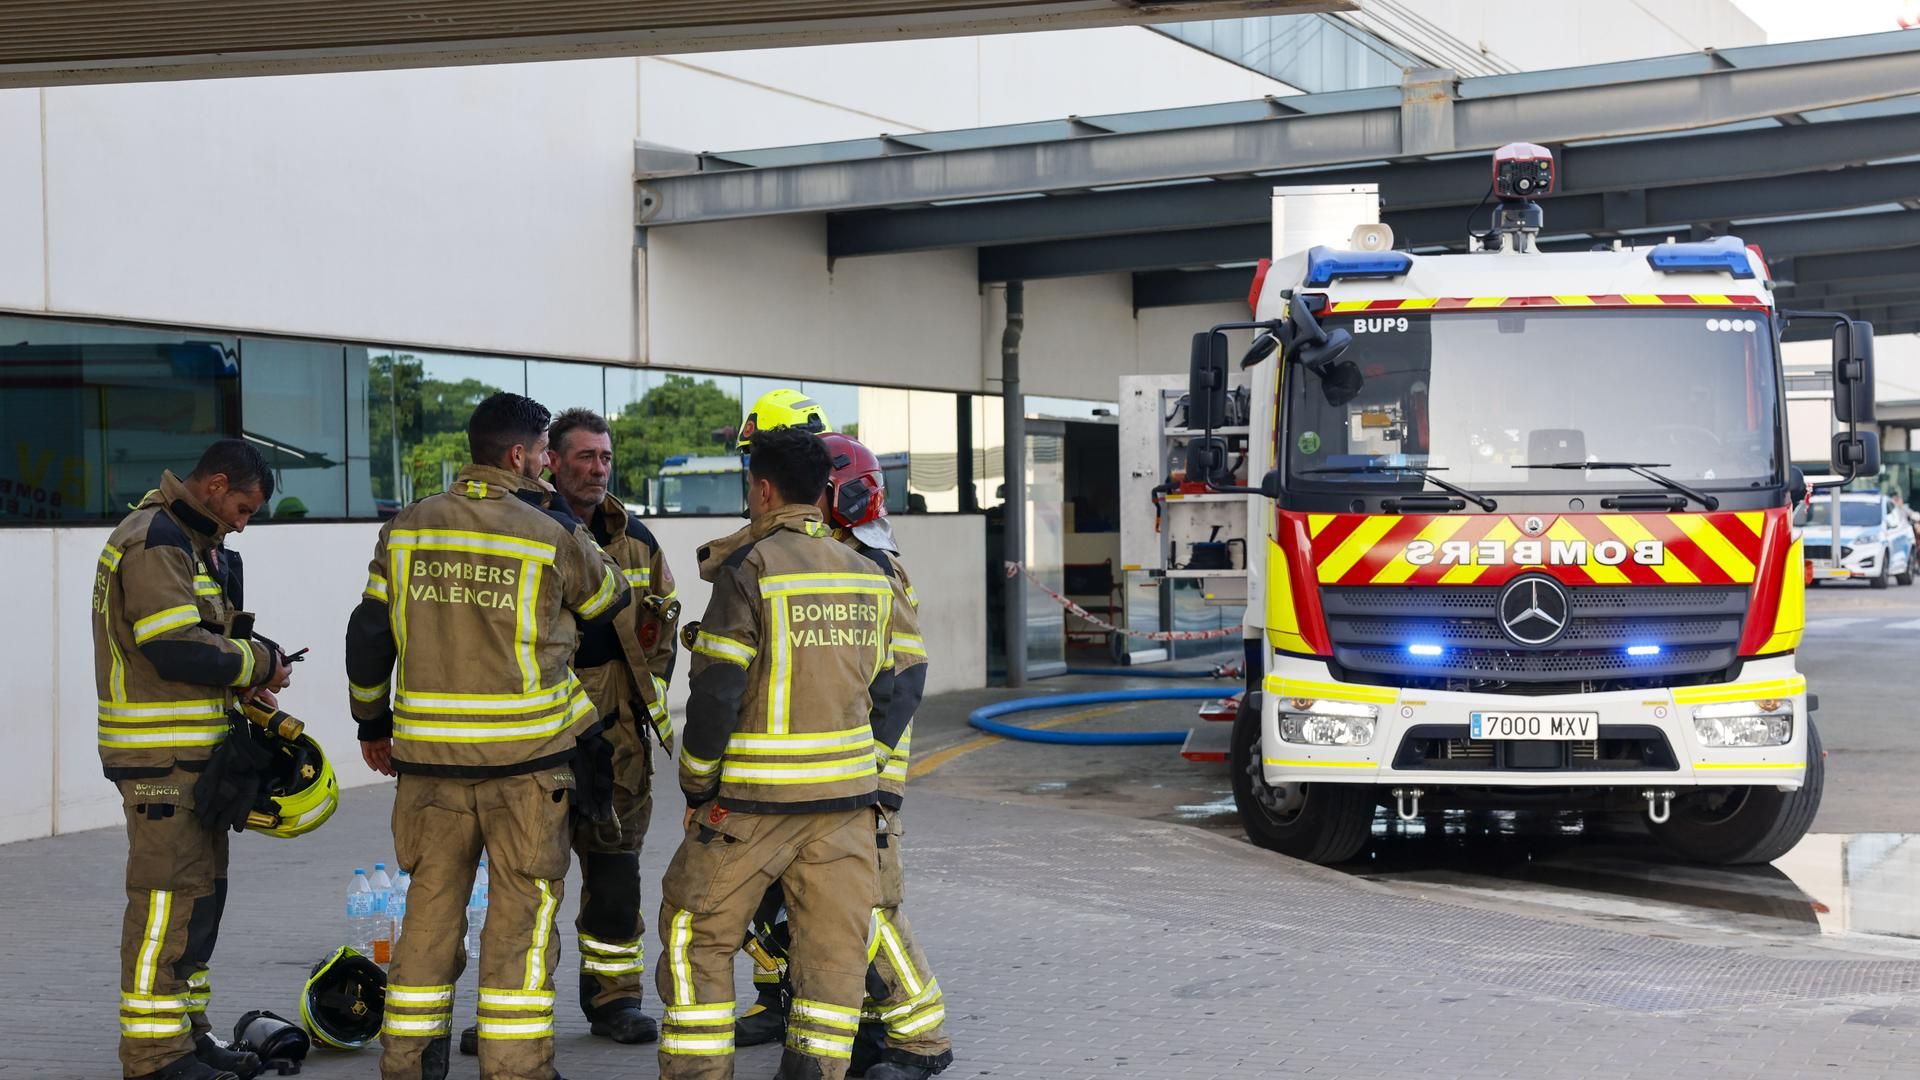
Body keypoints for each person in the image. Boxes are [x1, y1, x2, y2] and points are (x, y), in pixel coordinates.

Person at [346, 392, 630, 1080]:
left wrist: (371, 722)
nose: (547, 464)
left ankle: (409, 1060)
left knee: (429, 914)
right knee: (522, 922)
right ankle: (516, 1066)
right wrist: (564, 520)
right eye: (541, 453)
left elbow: (367, 630)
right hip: (526, 769)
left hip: (429, 769)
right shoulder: (546, 530)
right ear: (518, 456)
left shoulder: (409, 527)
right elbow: (606, 602)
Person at [656, 427, 896, 1080]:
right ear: (822, 492)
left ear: (762, 490)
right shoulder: (869, 572)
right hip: (846, 806)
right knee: (834, 954)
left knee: (693, 934)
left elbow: (717, 691)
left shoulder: (750, 568)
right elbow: (892, 684)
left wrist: (698, 785)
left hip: (752, 806)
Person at [737, 434, 952, 1079]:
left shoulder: (872, 567)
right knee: (817, 910)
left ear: (843, 496)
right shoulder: (827, 557)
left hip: (864, 783)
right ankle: (853, 1032)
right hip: (826, 781)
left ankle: (924, 1040)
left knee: (870, 909)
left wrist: (866, 773)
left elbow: (904, 681)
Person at [95, 439, 293, 1080]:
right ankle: (154, 1057)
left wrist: (246, 665)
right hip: (161, 764)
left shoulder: (190, 541)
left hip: (195, 760)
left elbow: (207, 639)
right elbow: (174, 648)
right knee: (164, 908)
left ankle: (189, 1036)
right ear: (213, 484)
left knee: (200, 903)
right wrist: (259, 662)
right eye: (243, 506)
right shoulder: (155, 539)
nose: (244, 521)